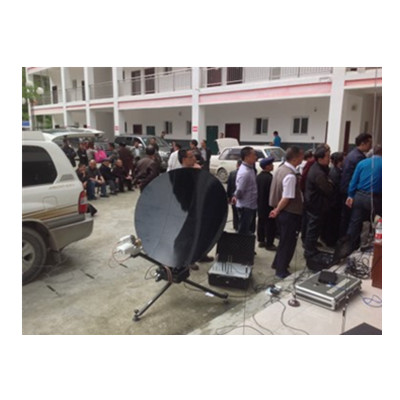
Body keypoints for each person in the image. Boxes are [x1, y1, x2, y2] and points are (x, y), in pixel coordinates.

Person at [269, 146, 304, 279]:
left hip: (283, 212)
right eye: (301, 156)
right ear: (295, 158)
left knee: (283, 240)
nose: (302, 159)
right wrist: (277, 210)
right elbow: (287, 197)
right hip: (289, 213)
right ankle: (281, 270)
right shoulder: (290, 175)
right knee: (288, 242)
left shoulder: (281, 169)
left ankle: (277, 263)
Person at [177, 148, 213, 268]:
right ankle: (189, 260)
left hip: (200, 207)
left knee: (201, 232)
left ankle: (201, 254)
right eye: (191, 157)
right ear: (184, 160)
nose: (194, 158)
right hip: (188, 210)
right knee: (189, 235)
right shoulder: (180, 175)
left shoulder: (196, 170)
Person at [345, 145, 382, 251]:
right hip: (376, 199)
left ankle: (349, 249)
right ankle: (377, 250)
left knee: (355, 224)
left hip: (359, 197)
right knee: (379, 222)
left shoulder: (362, 163)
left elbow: (353, 181)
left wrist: (350, 195)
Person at [303, 146, 334, 259]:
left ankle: (311, 248)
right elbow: (328, 189)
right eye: (327, 157)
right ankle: (309, 251)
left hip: (315, 203)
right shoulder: (318, 173)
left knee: (313, 228)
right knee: (313, 228)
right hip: (315, 204)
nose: (329, 159)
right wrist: (331, 183)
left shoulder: (319, 167)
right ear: (320, 158)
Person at [339, 132, 373, 236]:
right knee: (352, 220)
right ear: (363, 143)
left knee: (346, 218)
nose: (370, 146)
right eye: (369, 143)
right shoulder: (359, 158)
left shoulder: (352, 154)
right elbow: (357, 178)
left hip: (346, 189)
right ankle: (347, 240)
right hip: (350, 192)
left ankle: (344, 239)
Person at [320, 151, 345, 247]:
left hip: (332, 201)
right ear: (340, 161)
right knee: (332, 222)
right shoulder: (336, 173)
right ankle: (330, 241)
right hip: (334, 202)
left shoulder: (333, 170)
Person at [232, 147, 258, 236]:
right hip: (246, 206)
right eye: (253, 155)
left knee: (249, 230)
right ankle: (240, 245)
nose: (255, 157)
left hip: (250, 205)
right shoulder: (245, 172)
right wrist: (235, 196)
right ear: (247, 157)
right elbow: (240, 190)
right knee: (243, 232)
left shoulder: (250, 169)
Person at [256, 156, 277, 250]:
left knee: (261, 222)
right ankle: (269, 243)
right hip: (268, 204)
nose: (272, 166)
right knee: (270, 224)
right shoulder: (270, 178)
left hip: (260, 203)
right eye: (271, 164)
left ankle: (261, 240)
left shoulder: (258, 177)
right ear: (267, 166)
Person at [226, 160, 241, 231]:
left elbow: (229, 186)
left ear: (237, 165)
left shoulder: (232, 173)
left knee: (235, 213)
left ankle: (235, 226)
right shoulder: (245, 174)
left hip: (233, 197)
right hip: (241, 198)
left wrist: (228, 197)